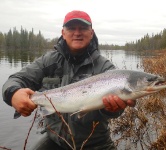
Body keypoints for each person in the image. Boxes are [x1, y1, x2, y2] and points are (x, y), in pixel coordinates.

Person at [2, 10, 135, 150]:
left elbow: (115, 112)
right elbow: (16, 79)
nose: (77, 33)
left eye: (83, 28)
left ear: (91, 33)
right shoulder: (49, 61)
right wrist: (13, 93)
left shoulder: (106, 68)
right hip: (56, 141)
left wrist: (112, 110)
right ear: (63, 33)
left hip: (96, 143)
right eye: (71, 28)